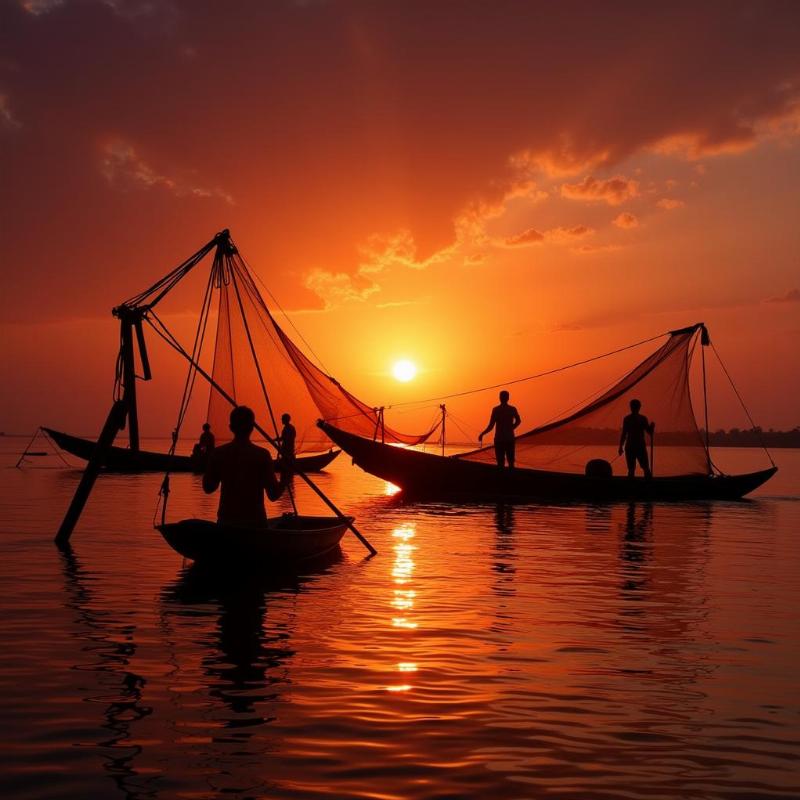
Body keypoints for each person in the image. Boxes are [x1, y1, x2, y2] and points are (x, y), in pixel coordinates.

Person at [203, 406, 286, 527]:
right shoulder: (262, 455)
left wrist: (210, 464)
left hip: (226, 525)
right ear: (252, 428)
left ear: (231, 427)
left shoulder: (219, 453)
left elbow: (208, 488)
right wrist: (285, 478)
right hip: (256, 526)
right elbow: (273, 495)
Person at [479, 390, 521, 468]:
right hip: (508, 439)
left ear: (500, 398)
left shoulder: (496, 410)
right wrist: (512, 428)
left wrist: (482, 434)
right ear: (508, 398)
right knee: (510, 462)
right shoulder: (512, 409)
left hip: (500, 440)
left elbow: (491, 426)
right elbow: (518, 421)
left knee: (501, 462)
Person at [618, 399, 655, 478]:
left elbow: (649, 432)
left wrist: (651, 427)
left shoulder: (640, 419)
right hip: (634, 446)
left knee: (643, 468)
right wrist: (620, 447)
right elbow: (624, 433)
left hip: (637, 446)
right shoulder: (631, 419)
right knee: (634, 469)